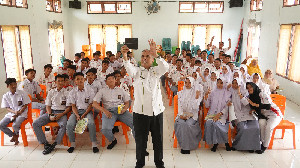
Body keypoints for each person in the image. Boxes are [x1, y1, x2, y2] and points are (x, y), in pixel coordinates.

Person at [122, 39, 169, 168]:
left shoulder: (156, 71)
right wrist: (125, 56)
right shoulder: (136, 72)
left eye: (147, 56)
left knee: (158, 140)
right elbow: (128, 67)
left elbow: (165, 67)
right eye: (142, 56)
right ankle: (140, 162)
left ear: (151, 58)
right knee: (140, 140)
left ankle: (159, 162)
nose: (144, 58)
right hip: (140, 112)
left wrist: (156, 55)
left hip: (156, 111)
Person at [93, 73, 134, 149]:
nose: (111, 80)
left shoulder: (121, 90)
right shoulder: (102, 91)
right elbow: (94, 103)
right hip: (109, 112)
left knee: (136, 123)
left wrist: (125, 109)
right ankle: (113, 140)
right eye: (109, 79)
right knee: (105, 129)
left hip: (121, 111)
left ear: (116, 80)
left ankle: (139, 142)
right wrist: (104, 111)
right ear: (106, 82)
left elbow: (127, 101)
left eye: (112, 78)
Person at [33, 75, 71, 155]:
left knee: (64, 125)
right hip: (52, 111)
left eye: (62, 81)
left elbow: (69, 107)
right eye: (58, 81)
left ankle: (55, 143)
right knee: (36, 123)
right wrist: (50, 114)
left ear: (64, 82)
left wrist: (62, 114)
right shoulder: (51, 92)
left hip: (62, 113)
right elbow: (48, 105)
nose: (60, 83)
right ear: (55, 82)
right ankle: (45, 143)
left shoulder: (67, 93)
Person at [66, 72, 98, 153]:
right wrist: (77, 115)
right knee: (69, 124)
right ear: (75, 81)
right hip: (76, 112)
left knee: (91, 123)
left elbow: (91, 105)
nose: (80, 81)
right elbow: (73, 106)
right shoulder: (72, 92)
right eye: (77, 79)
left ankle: (94, 144)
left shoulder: (90, 90)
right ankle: (72, 144)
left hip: (87, 111)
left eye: (81, 79)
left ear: (84, 79)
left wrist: (84, 114)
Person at [246, 82, 282, 154]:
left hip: (274, 114)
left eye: (250, 87)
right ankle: (261, 143)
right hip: (264, 116)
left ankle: (265, 146)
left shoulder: (262, 94)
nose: (249, 89)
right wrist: (253, 108)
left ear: (254, 87)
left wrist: (255, 105)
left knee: (268, 127)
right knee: (261, 124)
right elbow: (256, 108)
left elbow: (268, 106)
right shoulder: (251, 97)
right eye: (247, 88)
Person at [229, 79, 261, 152]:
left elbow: (246, 103)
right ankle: (238, 145)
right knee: (243, 128)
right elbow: (227, 102)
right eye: (233, 83)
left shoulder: (246, 92)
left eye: (236, 83)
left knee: (255, 127)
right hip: (237, 114)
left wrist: (240, 94)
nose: (235, 85)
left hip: (248, 113)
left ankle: (252, 146)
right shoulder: (230, 92)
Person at [174, 77, 202, 154]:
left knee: (188, 124)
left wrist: (196, 98)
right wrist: (181, 115)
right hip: (182, 115)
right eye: (186, 82)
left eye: (189, 83)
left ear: (192, 83)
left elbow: (195, 109)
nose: (187, 84)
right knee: (182, 124)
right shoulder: (180, 93)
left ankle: (188, 146)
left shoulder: (196, 94)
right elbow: (179, 107)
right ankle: (185, 147)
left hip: (192, 116)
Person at [203, 78, 232, 152]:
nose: (219, 85)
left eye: (221, 83)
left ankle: (225, 142)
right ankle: (214, 142)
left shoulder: (228, 94)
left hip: (222, 114)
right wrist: (206, 96)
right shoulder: (213, 92)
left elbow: (227, 107)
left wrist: (219, 114)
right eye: (218, 83)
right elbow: (207, 105)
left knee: (216, 124)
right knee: (209, 123)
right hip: (212, 114)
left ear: (224, 83)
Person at [0, 78, 31, 145]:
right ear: (7, 86)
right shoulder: (6, 96)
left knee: (15, 125)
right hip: (11, 113)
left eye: (15, 84)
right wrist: (14, 112)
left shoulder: (22, 93)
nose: (14, 86)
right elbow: (7, 107)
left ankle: (15, 137)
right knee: (1, 124)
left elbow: (26, 104)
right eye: (11, 85)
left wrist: (20, 111)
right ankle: (14, 135)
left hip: (22, 113)